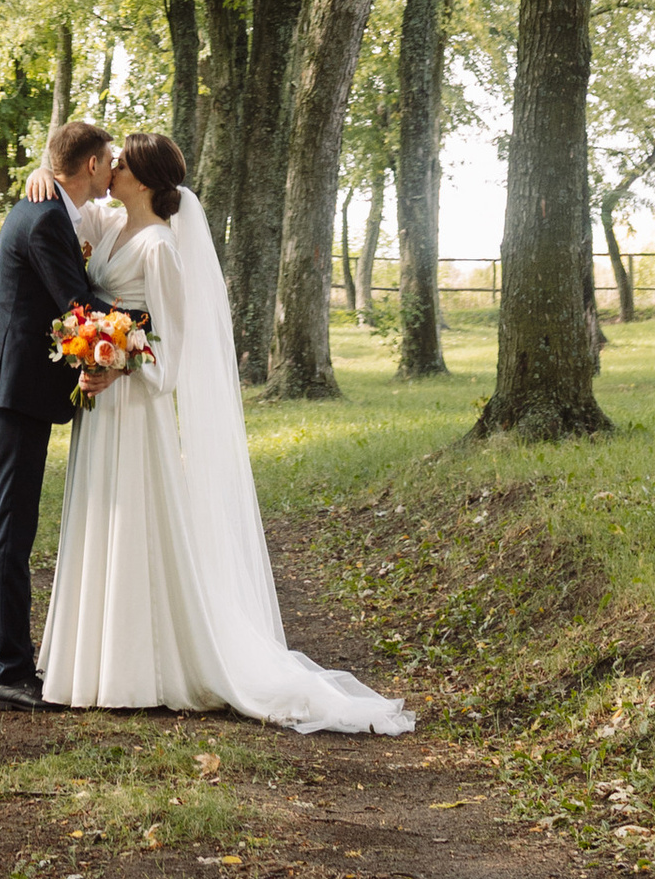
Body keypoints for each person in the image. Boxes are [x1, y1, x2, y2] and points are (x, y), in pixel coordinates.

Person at [36, 131, 413, 735]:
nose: (113, 168)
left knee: (137, 521)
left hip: (134, 404)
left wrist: (116, 362)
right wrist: (41, 174)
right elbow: (68, 197)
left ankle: (145, 668)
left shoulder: (160, 246)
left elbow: (173, 341)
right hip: (101, 403)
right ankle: (93, 667)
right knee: (100, 516)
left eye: (123, 163)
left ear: (147, 179)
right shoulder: (111, 228)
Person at [0, 115, 117, 709]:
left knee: (17, 524)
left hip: (19, 388)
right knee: (14, 528)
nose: (112, 168)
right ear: (91, 165)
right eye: (108, 159)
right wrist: (152, 323)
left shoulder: (55, 207)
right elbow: (78, 304)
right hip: (14, 389)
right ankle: (9, 671)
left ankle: (15, 662)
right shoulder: (46, 217)